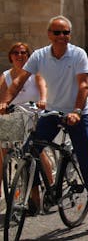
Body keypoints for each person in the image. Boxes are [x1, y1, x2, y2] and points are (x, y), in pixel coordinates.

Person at [0, 16, 88, 233]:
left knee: (86, 160)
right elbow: (20, 81)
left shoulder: (78, 54)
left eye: (66, 32)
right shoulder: (39, 55)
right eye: (57, 33)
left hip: (77, 112)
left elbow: (83, 84)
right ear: (49, 34)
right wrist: (5, 101)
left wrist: (76, 111)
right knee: (30, 152)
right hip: (51, 113)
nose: (62, 37)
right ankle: (36, 198)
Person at [0, 42, 51, 212]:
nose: (19, 55)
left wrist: (43, 99)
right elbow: (2, 97)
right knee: (2, 152)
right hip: (15, 116)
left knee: (37, 151)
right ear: (11, 56)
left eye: (23, 52)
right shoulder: (6, 76)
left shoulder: (34, 73)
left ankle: (50, 188)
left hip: (34, 114)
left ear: (28, 56)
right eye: (16, 52)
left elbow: (43, 87)